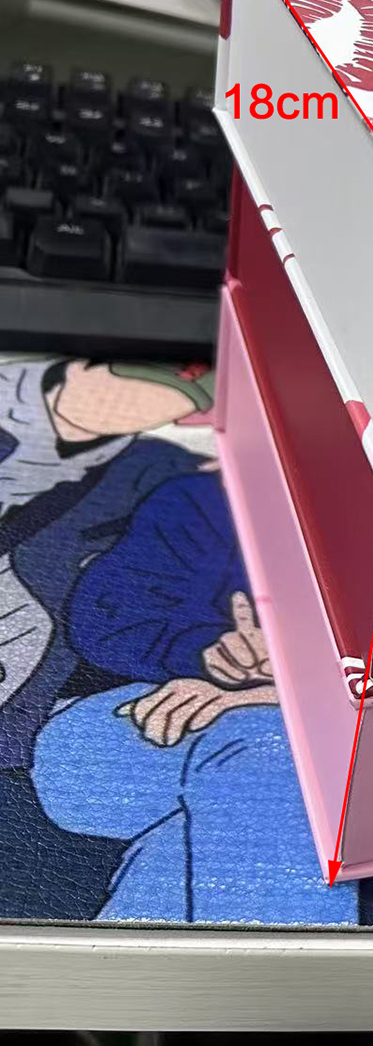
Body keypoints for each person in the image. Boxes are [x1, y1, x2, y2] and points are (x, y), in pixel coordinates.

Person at [30, 470, 357, 923]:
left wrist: (286, 691)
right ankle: (283, 961)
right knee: (270, 755)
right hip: (137, 720)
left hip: (313, 734)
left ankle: (145, 962)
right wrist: (207, 651)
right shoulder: (211, 498)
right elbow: (106, 615)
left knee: (257, 761)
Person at [0, 358, 214, 919]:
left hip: (27, 726)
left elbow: (125, 607)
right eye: (135, 387)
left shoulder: (156, 470)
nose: (139, 407)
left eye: (178, 400)